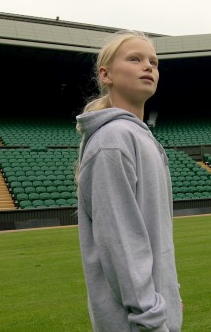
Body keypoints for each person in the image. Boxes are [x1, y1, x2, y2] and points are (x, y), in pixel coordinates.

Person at [75, 29, 183, 332]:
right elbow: (121, 242)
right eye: (135, 59)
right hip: (138, 323)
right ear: (106, 74)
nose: (148, 66)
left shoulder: (137, 135)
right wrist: (150, 314)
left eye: (154, 61)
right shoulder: (113, 140)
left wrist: (168, 296)